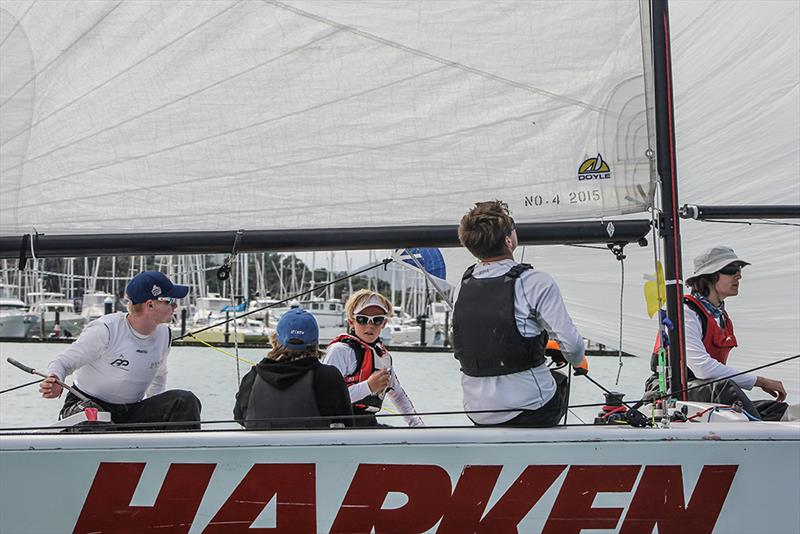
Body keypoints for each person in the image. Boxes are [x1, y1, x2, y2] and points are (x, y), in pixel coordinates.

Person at [452, 200, 588, 427]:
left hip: (477, 410)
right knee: (559, 382)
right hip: (532, 408)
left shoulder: (462, 286)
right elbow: (573, 347)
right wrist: (575, 359)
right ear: (508, 240)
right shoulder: (535, 282)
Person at [39, 271, 201, 430]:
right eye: (170, 300)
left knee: (185, 401)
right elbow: (62, 363)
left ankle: (180, 454)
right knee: (96, 420)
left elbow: (159, 376)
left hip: (131, 410)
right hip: (86, 405)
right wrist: (55, 380)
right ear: (150, 305)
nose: (175, 305)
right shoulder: (106, 330)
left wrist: (158, 418)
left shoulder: (165, 335)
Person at [648, 246, 788, 420]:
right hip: (669, 391)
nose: (739, 275)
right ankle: (759, 437)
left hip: (702, 390)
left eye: (739, 269)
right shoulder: (685, 313)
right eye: (730, 270)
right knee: (726, 388)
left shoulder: (719, 316)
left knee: (776, 410)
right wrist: (760, 381)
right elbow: (703, 369)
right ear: (708, 277)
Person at [234, 308, 353, 429]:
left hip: (261, 446)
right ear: (315, 343)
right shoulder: (328, 377)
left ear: (275, 339)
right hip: (312, 446)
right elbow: (347, 422)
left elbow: (239, 417)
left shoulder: (253, 377)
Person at [324, 289, 424, 427]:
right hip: (339, 426)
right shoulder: (340, 351)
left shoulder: (383, 356)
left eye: (377, 320)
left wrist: (418, 426)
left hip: (368, 423)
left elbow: (398, 395)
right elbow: (327, 399)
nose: (369, 325)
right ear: (351, 322)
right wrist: (368, 387)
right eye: (362, 319)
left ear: (384, 323)